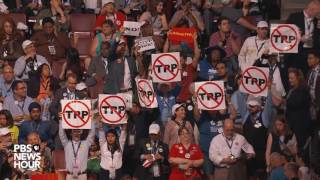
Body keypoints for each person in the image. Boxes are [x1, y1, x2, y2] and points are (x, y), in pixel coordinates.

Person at [286, 0, 320, 75]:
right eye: (317, 12)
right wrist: (299, 38)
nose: (317, 14)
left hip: (310, 54)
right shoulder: (294, 17)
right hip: (296, 53)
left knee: (307, 77)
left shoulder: (316, 21)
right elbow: (285, 34)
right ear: (312, 9)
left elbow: (317, 40)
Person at [285, 68, 312, 151]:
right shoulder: (292, 89)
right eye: (289, 78)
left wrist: (284, 101)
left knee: (300, 149)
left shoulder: (303, 89)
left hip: (301, 126)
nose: (290, 80)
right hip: (293, 125)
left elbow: (296, 103)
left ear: (298, 78)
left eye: (292, 78)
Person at [307, 50, 320, 123]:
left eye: (310, 58)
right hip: (310, 106)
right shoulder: (309, 72)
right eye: (308, 58)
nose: (308, 60)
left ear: (317, 59)